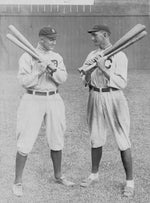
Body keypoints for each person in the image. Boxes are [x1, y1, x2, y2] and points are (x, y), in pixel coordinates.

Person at [12, 26, 75, 197]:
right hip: (33, 98)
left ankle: (58, 175)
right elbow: (24, 81)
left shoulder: (57, 57)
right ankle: (17, 181)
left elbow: (63, 78)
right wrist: (38, 72)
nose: (54, 42)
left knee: (57, 137)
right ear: (41, 39)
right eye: (50, 39)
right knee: (25, 138)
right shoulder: (27, 55)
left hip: (54, 97)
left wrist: (52, 70)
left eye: (55, 38)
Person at [79, 24, 134, 198]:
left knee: (122, 139)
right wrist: (89, 71)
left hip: (114, 97)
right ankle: (94, 175)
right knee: (96, 137)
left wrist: (102, 68)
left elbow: (122, 82)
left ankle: (130, 183)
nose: (92, 38)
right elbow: (85, 80)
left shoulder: (120, 54)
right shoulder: (92, 55)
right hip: (95, 96)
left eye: (95, 35)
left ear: (105, 35)